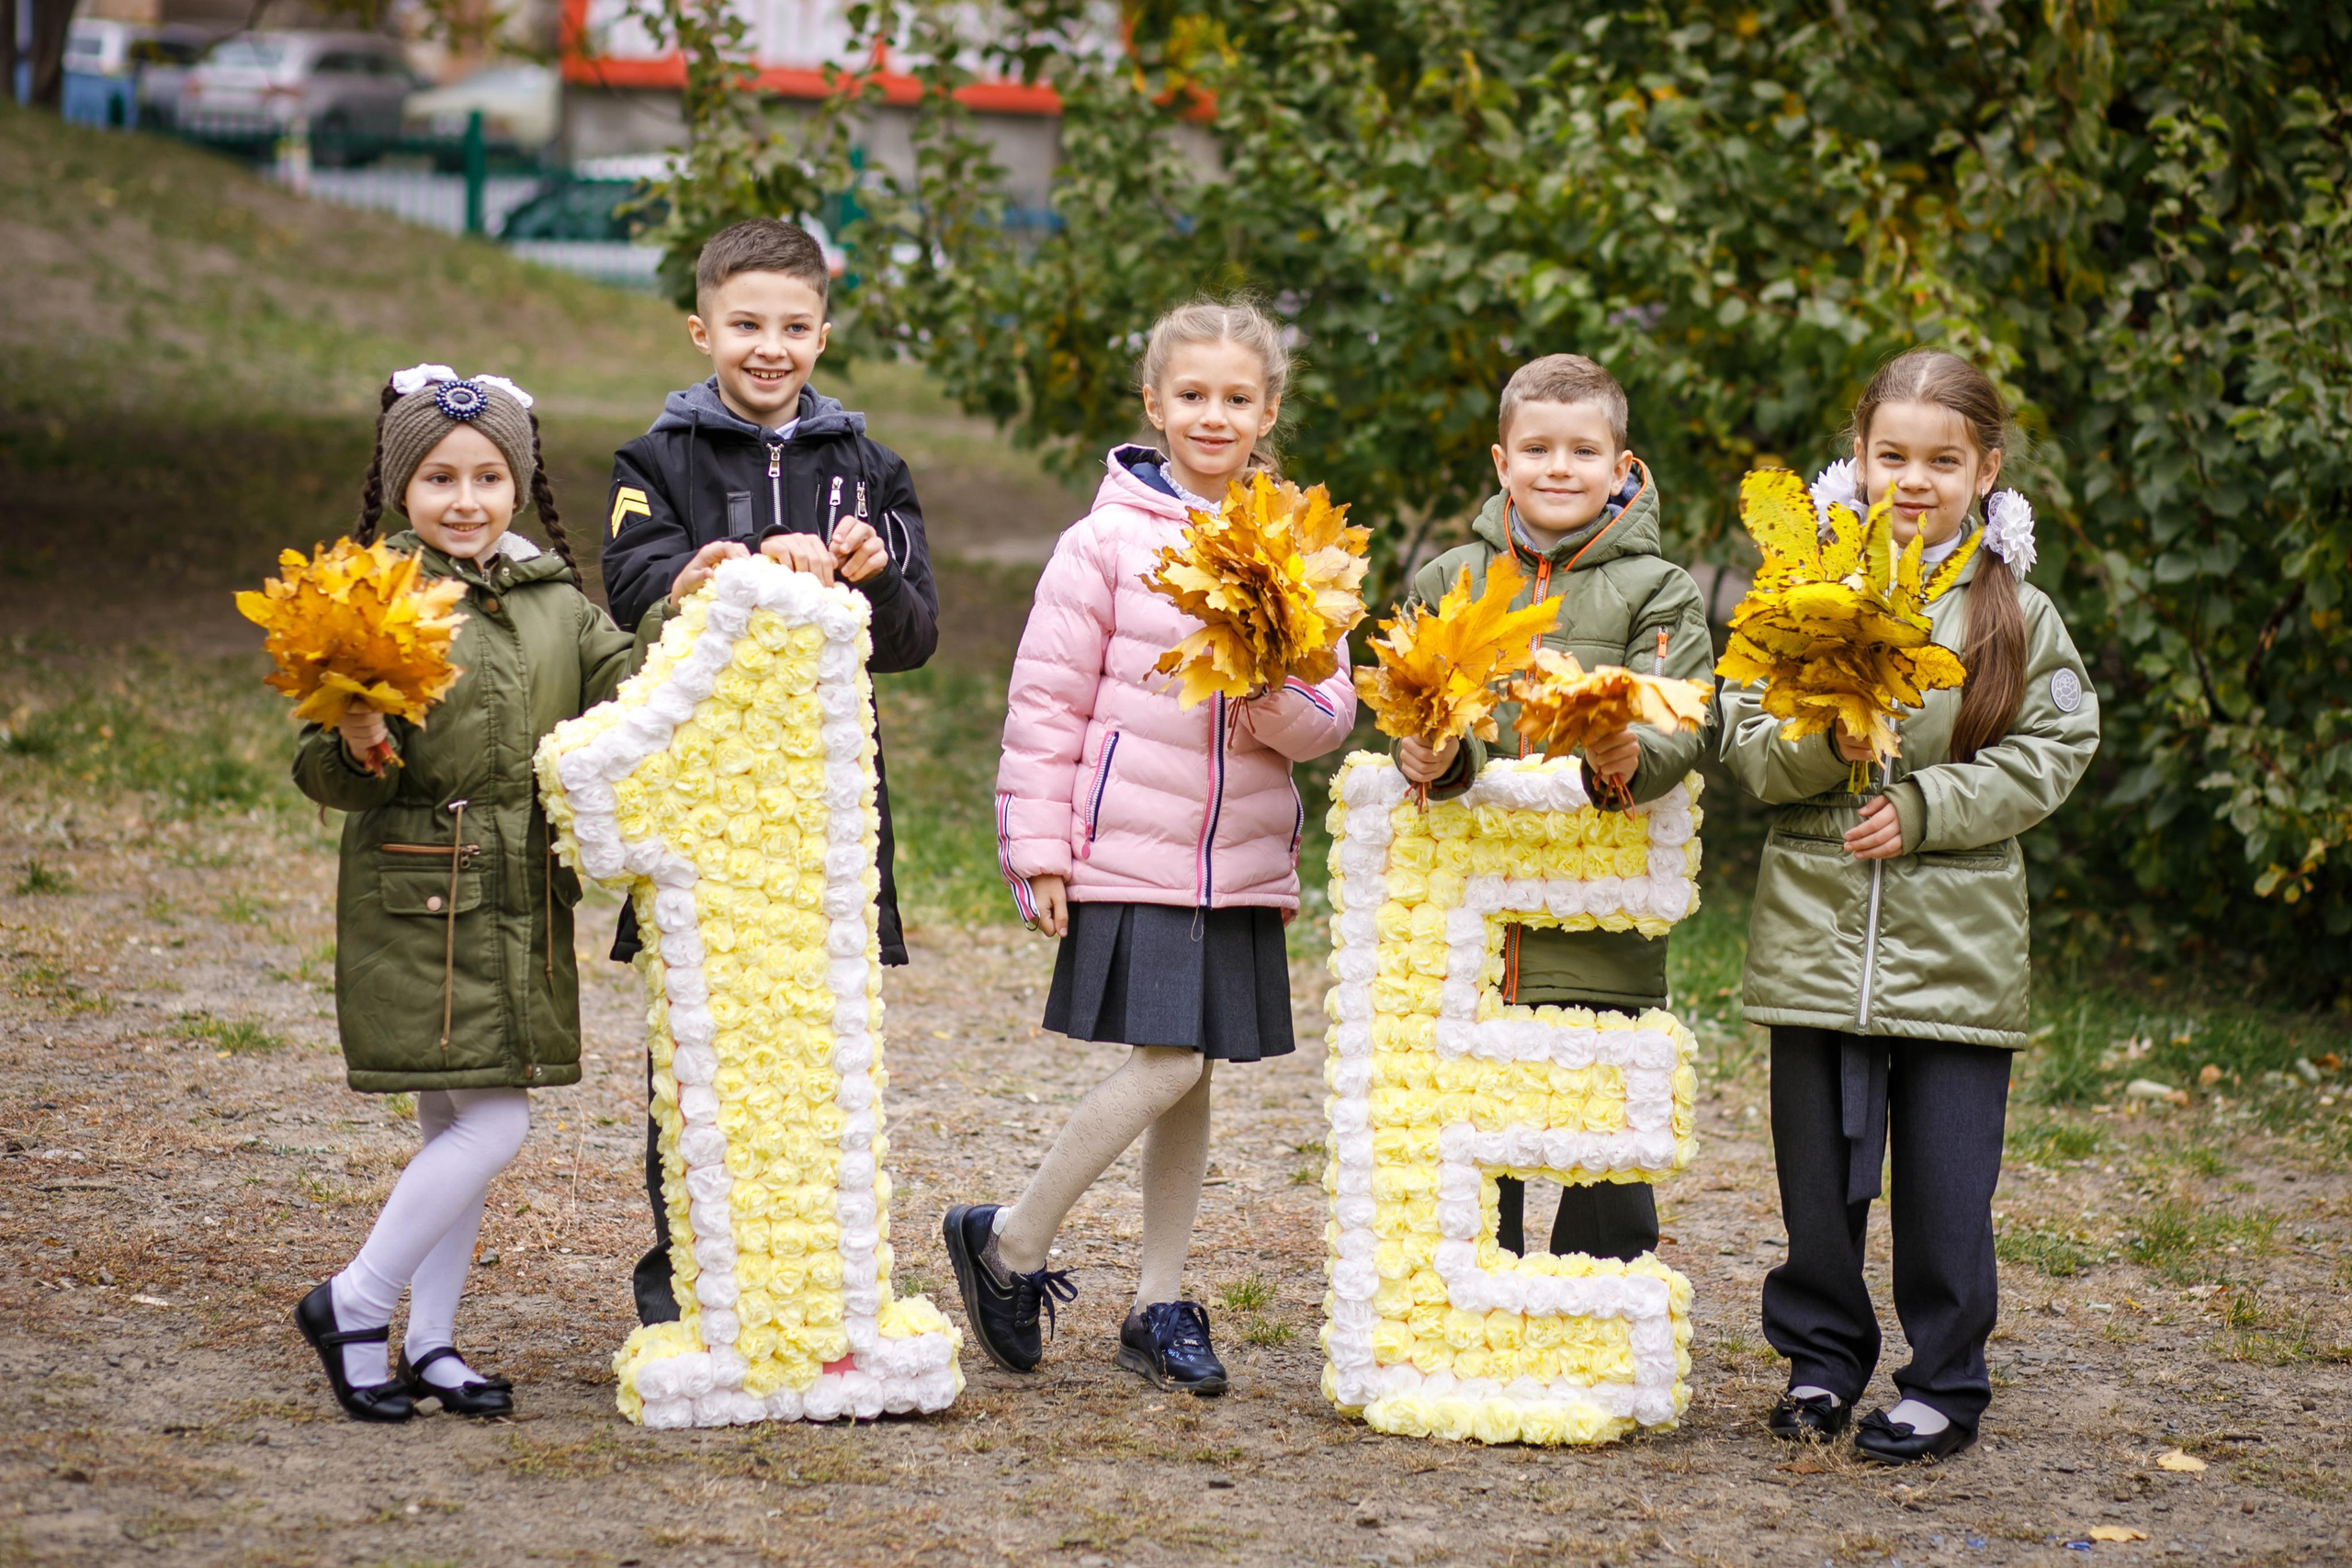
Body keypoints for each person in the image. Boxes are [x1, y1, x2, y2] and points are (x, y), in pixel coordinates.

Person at [945, 299, 1358, 1396]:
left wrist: (1273, 695)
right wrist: (1036, 845)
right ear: (1153, 404)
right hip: (1132, 843)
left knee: (1193, 1073)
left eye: (1235, 398)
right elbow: (1045, 703)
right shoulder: (1105, 544)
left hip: (1241, 855)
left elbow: (1329, 718)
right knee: (1166, 1063)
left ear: (1268, 410)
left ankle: (1157, 1301)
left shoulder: (1302, 546)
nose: (1211, 416)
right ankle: (1010, 1242)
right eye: (1191, 396)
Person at [1724, 348, 2099, 1464]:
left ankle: (1943, 1378)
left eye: (1943, 460)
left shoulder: (2014, 613)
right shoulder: (1797, 597)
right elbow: (1745, 745)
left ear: (1985, 470)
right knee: (1819, 1178)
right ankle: (1821, 1361)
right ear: (1859, 458)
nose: (1915, 479)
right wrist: (1822, 745)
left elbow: (2057, 747)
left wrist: (1930, 804)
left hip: (1958, 950)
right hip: (1817, 940)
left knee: (1944, 1183)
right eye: (1893, 455)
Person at [290, 366, 668, 1422]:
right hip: (417, 895)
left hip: (519, 894)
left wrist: (690, 610)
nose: (465, 499)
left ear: (519, 483)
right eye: (440, 478)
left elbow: (629, 683)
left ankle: (430, 1339)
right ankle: (353, 1302)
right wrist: (360, 743)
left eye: (489, 476)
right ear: (402, 487)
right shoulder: (376, 601)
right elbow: (322, 773)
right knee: (492, 1126)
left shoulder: (554, 600)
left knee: (453, 1128)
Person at [595, 219, 938, 1329]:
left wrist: (874, 577)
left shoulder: (870, 470)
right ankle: (687, 1275)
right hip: (703, 800)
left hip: (829, 810)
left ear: (824, 333)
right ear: (703, 329)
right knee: (696, 1039)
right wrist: (722, 567)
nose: (769, 348)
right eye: (746, 325)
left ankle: (814, 1269)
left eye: (794, 326)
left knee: (822, 1037)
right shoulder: (657, 460)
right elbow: (631, 582)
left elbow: (914, 637)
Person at [1392, 353, 1714, 1263]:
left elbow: (1681, 719)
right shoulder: (1449, 579)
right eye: (1537, 449)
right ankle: (1468, 1326)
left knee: (1598, 1134)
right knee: (1469, 1140)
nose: (1558, 468)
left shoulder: (1661, 590)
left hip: (1596, 920)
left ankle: (1600, 1331)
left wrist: (1627, 756)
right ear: (1501, 463)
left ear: (1621, 467)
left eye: (1582, 450)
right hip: (1463, 917)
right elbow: (1417, 709)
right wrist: (1429, 753)